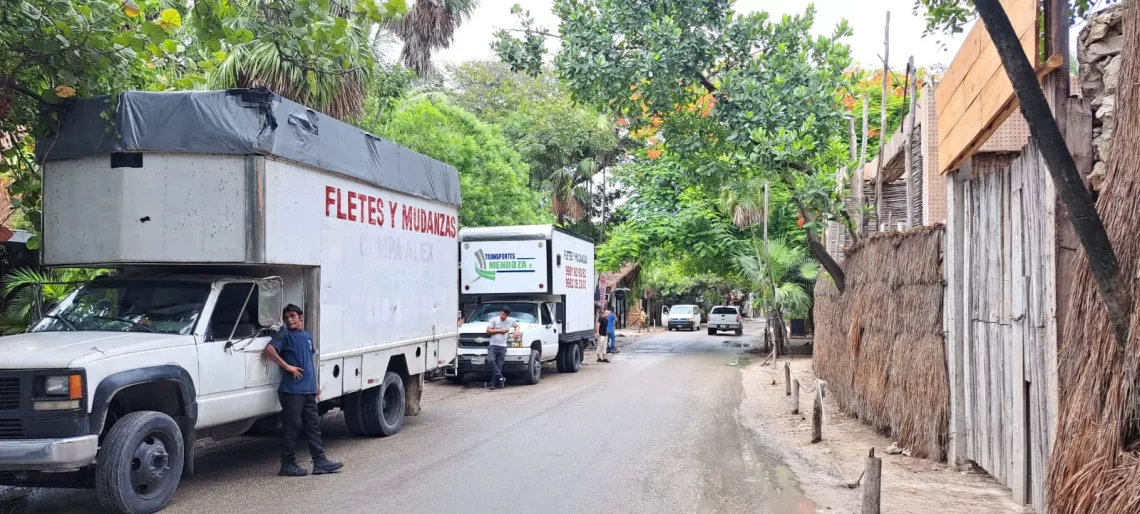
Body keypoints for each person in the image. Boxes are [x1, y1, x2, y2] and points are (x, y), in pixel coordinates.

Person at [263, 304, 343, 477]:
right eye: (286, 317)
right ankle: (287, 464)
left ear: (301, 317)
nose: (289, 320)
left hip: (307, 390)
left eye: (292, 316)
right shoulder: (284, 334)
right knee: (291, 428)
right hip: (291, 391)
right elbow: (268, 350)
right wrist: (287, 366)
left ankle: (320, 462)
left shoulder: (306, 336)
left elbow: (308, 361)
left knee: (313, 427)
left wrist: (315, 386)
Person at [485, 306, 519, 390]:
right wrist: (500, 331)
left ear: (507, 316)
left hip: (503, 346)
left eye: (503, 315)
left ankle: (493, 384)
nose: (501, 316)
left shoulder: (510, 321)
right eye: (501, 314)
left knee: (499, 366)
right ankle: (500, 378)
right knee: (491, 360)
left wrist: (516, 332)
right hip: (493, 345)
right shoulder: (494, 320)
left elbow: (517, 325)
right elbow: (488, 331)